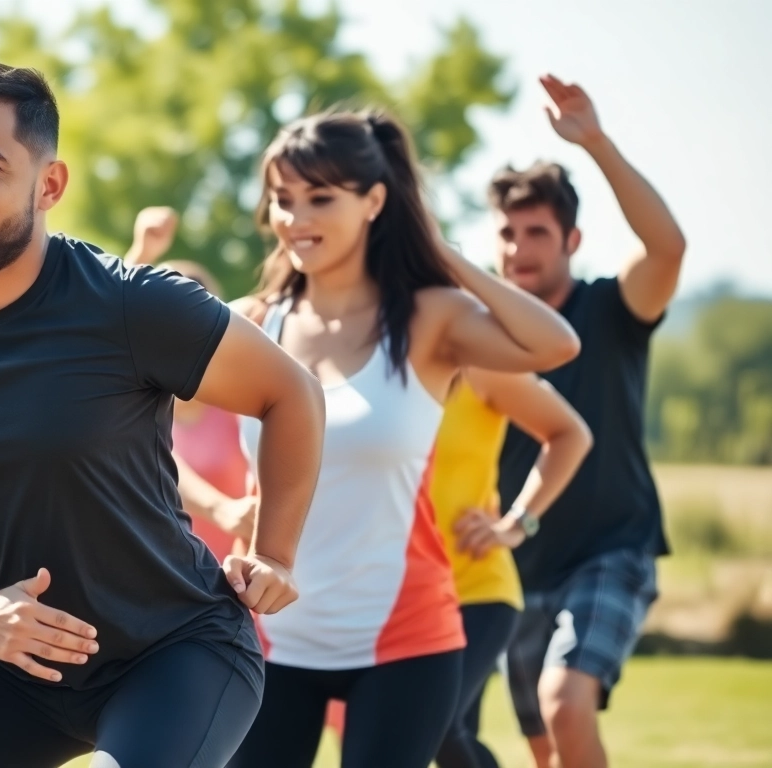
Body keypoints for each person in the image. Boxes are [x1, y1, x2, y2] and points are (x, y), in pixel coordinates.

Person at [0, 61, 326, 768]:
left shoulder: (130, 303)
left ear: (49, 184)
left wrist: (275, 551)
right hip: (12, 662)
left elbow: (293, 393)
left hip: (176, 652)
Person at [224, 107, 580, 768]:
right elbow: (142, 404)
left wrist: (439, 253)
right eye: (282, 199)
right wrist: (219, 508)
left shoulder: (429, 318)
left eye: (320, 198)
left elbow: (556, 344)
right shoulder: (253, 323)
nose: (295, 219)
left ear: (375, 201)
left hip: (406, 641)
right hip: (272, 640)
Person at [491, 75, 686, 768]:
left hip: (612, 552)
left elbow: (667, 249)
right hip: (516, 567)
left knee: (565, 703)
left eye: (537, 232)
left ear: (572, 238)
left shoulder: (612, 310)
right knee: (547, 750)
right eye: (507, 234)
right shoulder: (481, 334)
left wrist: (596, 143)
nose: (519, 249)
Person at [432, 368, 592, 768]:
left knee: (436, 723)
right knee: (447, 733)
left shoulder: (479, 369)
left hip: (478, 590)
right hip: (403, 596)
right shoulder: (375, 361)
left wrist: (518, 523)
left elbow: (570, 434)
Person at [123, 207, 255, 560]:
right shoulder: (131, 409)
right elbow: (110, 329)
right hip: (163, 589)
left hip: (236, 588)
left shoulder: (239, 406)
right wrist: (142, 254)